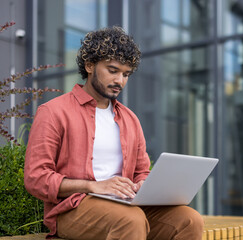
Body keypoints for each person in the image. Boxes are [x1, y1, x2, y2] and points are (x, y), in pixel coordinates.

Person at [24, 26, 204, 240]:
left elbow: (141, 170)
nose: (120, 80)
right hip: (74, 208)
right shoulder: (54, 112)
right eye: (113, 70)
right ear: (89, 65)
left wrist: (143, 185)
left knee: (189, 220)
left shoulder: (130, 119)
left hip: (126, 204)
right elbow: (36, 178)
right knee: (130, 220)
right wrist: (93, 186)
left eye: (126, 74)